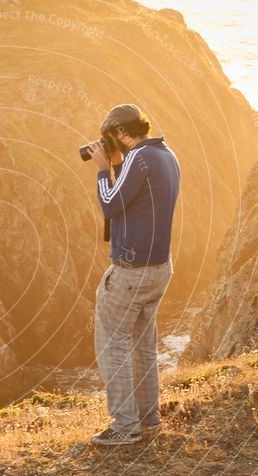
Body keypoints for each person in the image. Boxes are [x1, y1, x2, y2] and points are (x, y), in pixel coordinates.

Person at [86, 104, 181, 446]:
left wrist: (102, 170)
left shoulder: (138, 158)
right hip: (159, 267)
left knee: (113, 344)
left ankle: (124, 427)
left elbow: (110, 204)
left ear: (121, 133)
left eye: (111, 138)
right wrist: (117, 166)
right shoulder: (165, 154)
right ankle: (148, 419)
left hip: (131, 272)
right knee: (142, 345)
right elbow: (136, 201)